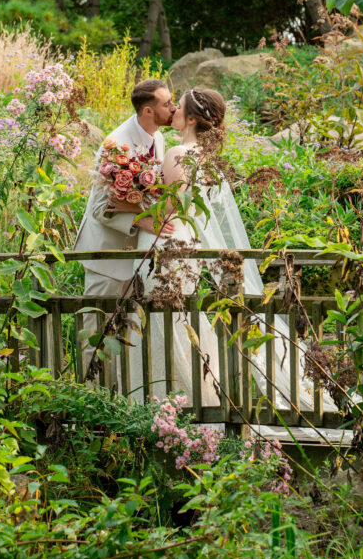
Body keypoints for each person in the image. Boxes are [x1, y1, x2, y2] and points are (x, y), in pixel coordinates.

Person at [127, 87, 318, 415]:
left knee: (164, 325)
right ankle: (194, 405)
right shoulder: (205, 158)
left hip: (167, 245)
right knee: (178, 325)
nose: (172, 110)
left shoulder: (177, 154)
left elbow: (172, 209)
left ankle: (169, 408)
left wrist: (130, 202)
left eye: (178, 107)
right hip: (184, 246)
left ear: (189, 118)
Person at [73, 79, 176, 375]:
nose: (173, 107)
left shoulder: (158, 138)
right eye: (166, 104)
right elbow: (98, 209)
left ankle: (117, 401)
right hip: (107, 257)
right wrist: (141, 221)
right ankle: (90, 400)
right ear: (148, 110)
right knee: (96, 335)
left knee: (124, 336)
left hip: (135, 258)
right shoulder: (116, 145)